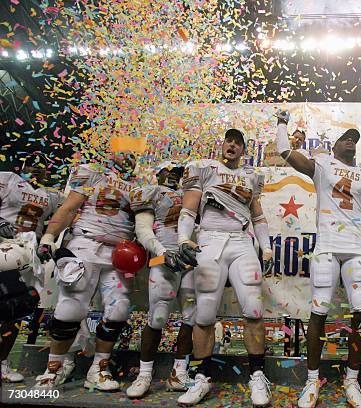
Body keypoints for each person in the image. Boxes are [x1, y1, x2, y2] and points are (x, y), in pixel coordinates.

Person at [275, 111, 361, 408]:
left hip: (356, 250)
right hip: (327, 247)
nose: (352, 143)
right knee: (319, 312)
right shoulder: (323, 165)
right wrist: (281, 124)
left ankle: (352, 380)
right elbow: (284, 151)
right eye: (346, 138)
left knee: (360, 315)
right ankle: (313, 380)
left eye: (356, 139)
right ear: (335, 145)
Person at [175, 128, 273, 406]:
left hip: (242, 241)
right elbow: (189, 208)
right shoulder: (205, 169)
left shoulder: (251, 176)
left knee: (253, 307)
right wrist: (183, 237)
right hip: (210, 238)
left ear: (243, 150)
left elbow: (259, 216)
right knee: (204, 312)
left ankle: (256, 375)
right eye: (229, 141)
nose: (232, 145)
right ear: (223, 145)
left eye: (238, 143)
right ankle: (201, 377)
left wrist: (266, 246)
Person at [33, 152, 137, 390]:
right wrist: (49, 237)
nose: (128, 159)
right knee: (71, 307)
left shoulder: (137, 187)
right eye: (123, 154)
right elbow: (70, 208)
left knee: (119, 309)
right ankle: (54, 369)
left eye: (133, 156)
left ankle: (99, 368)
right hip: (86, 244)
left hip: (120, 253)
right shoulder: (92, 174)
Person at [126, 162, 197, 398]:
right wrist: (161, 252)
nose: (174, 175)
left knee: (192, 317)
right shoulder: (152, 193)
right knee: (157, 317)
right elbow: (143, 230)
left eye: (177, 172)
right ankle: (144, 374)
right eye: (169, 171)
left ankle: (179, 372)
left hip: (191, 258)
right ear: (158, 174)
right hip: (163, 256)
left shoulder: (193, 194)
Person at [0, 155, 62, 383]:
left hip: (28, 254)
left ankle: (2, 362)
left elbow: (56, 225)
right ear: (23, 166)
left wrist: (49, 243)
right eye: (33, 163)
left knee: (19, 307)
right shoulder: (7, 180)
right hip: (2, 246)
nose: (38, 168)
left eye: (43, 165)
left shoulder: (53, 196)